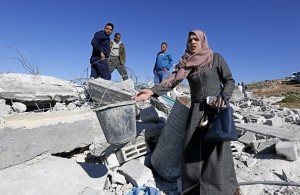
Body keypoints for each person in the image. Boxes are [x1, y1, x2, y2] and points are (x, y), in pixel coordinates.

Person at [134, 30, 240, 195]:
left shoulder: (216, 58)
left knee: (217, 152)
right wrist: (152, 91)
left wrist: (223, 97)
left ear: (203, 41)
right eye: (190, 40)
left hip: (215, 111)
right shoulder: (187, 63)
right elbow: (172, 81)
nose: (193, 42)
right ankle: (195, 190)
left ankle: (224, 190)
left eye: (196, 39)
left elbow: (229, 80)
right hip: (196, 113)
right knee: (192, 152)